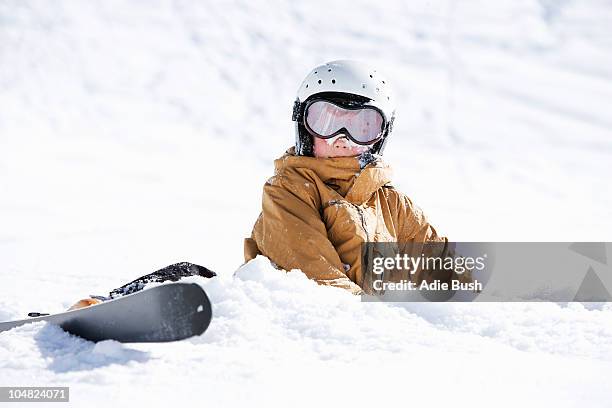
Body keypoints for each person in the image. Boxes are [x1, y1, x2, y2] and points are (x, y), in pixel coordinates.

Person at [244, 60, 470, 295]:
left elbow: (449, 276)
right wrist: (393, 323)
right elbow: (321, 286)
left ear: (378, 137)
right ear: (304, 126)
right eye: (326, 121)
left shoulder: (393, 206)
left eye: (362, 126)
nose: (342, 139)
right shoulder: (289, 192)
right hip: (308, 327)